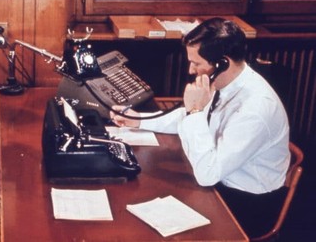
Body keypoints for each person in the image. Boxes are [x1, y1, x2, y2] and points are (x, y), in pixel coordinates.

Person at [110, 17, 290, 238]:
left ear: (222, 63)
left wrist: (194, 111)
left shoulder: (255, 109)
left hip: (247, 204)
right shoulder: (228, 82)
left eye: (196, 63)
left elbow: (207, 174)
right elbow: (187, 116)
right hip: (221, 183)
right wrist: (139, 120)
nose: (190, 70)